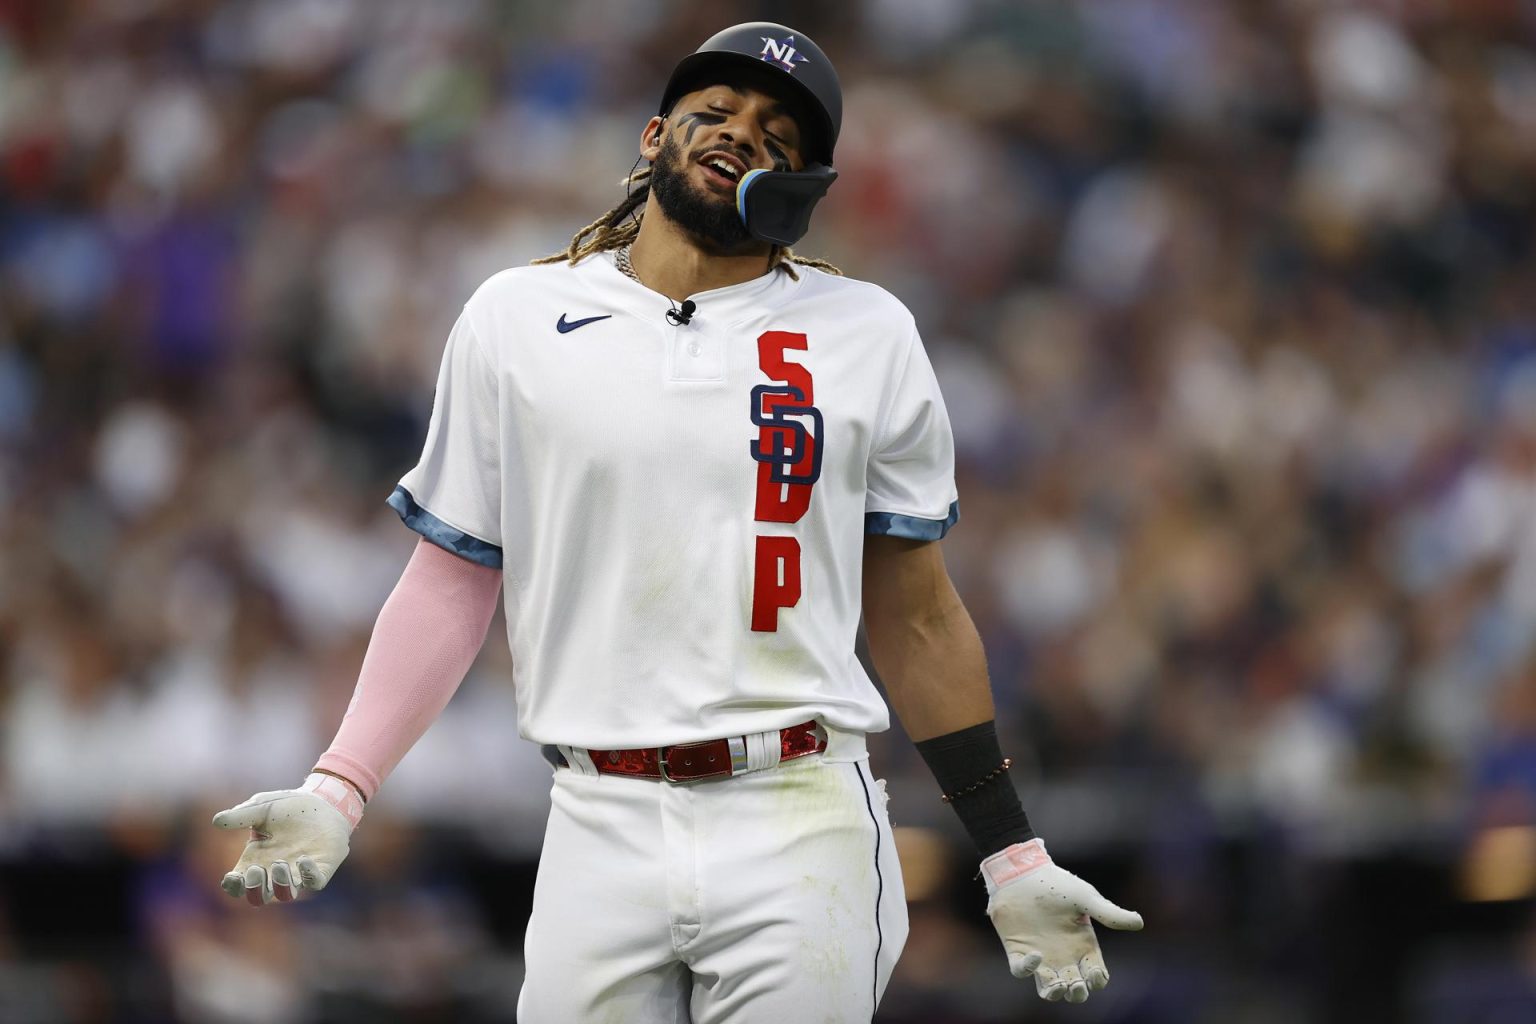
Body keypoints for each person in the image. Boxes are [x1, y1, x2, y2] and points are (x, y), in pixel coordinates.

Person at [213, 22, 1144, 1021]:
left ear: (806, 185)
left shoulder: (864, 332)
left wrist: (1010, 853)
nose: (744, 130)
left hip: (799, 811)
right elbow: (452, 576)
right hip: (593, 814)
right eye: (721, 108)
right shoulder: (516, 316)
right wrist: (339, 786)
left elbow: (916, 615)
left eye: (779, 129)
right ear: (655, 134)